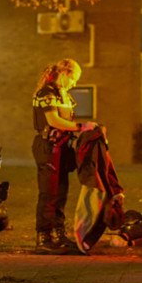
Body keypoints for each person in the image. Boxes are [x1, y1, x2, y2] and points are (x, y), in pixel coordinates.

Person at [32, 59, 95, 253]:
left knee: (61, 194)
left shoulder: (64, 94)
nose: (74, 83)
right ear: (65, 73)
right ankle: (43, 238)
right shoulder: (47, 93)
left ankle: (58, 234)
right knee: (48, 194)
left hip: (62, 148)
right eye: (74, 78)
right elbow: (53, 120)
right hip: (48, 148)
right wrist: (81, 127)